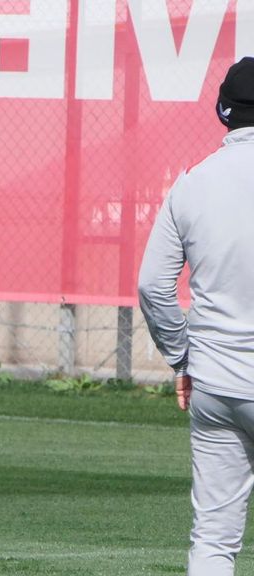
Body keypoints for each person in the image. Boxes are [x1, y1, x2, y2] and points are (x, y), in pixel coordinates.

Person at [138, 55, 254, 576]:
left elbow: (152, 286)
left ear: (224, 113)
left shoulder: (192, 183)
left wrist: (182, 357)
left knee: (213, 541)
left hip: (215, 381)